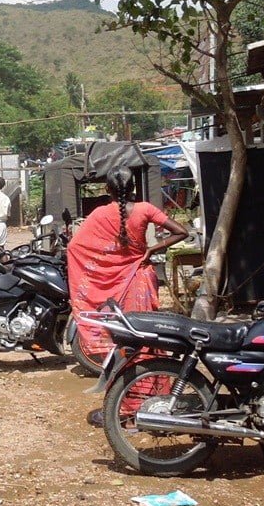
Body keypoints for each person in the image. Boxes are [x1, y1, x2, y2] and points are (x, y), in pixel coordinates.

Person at [67, 167, 189, 420]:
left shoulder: (99, 214)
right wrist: (152, 250)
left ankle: (124, 404)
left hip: (117, 293)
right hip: (142, 282)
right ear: (134, 187)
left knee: (124, 345)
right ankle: (155, 400)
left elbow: (75, 248)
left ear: (108, 189)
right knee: (151, 341)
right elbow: (182, 232)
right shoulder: (145, 209)